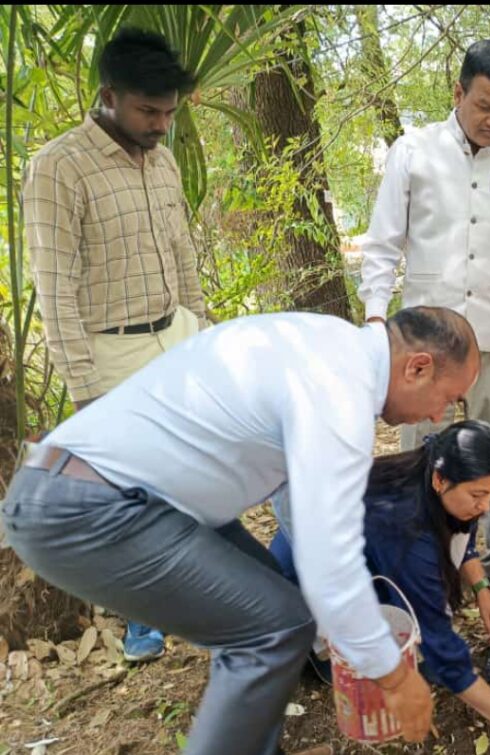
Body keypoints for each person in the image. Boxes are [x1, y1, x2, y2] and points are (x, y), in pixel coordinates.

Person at [1, 306, 480, 754]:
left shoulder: (327, 343)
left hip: (127, 496)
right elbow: (328, 561)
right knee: (274, 628)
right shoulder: (340, 391)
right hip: (86, 505)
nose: (439, 417)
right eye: (448, 399)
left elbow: (303, 512)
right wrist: (393, 676)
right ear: (416, 367)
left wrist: (350, 607)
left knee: (279, 609)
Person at [23, 27, 211, 663]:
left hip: (175, 336)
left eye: (168, 113)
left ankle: (195, 590)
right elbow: (55, 287)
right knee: (123, 492)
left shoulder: (160, 159)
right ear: (108, 96)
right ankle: (140, 620)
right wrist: (84, 390)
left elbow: (184, 253)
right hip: (111, 350)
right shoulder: (57, 167)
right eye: (148, 112)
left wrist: (203, 334)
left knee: (190, 473)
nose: (161, 126)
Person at [359, 39, 490, 604]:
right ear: (458, 92)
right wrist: (375, 321)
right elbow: (383, 243)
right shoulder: (414, 152)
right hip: (424, 343)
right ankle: (421, 558)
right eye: (485, 105)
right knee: (419, 451)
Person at [269, 421, 490, 755]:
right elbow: (441, 647)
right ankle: (311, 649)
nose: (487, 506)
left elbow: (462, 534)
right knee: (389, 671)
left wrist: (482, 588)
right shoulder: (404, 526)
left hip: (361, 568)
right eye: (479, 495)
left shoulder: (435, 476)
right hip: (301, 598)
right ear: (440, 480)